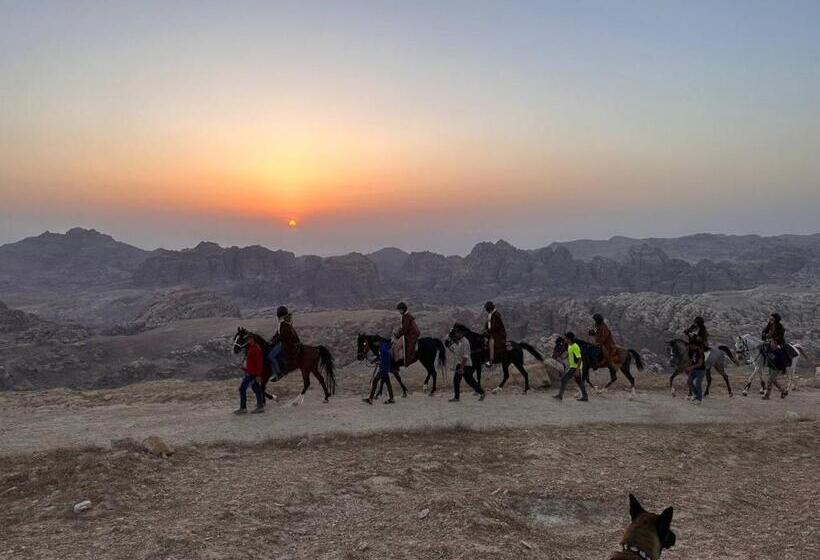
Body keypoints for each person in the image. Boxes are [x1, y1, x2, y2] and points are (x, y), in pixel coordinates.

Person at [448, 326, 485, 402]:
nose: (456, 335)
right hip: (460, 364)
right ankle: (457, 397)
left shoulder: (465, 342)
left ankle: (482, 392)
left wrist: (461, 368)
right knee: (459, 380)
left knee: (469, 381)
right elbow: (455, 350)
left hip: (465, 365)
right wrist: (450, 346)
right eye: (455, 333)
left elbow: (466, 356)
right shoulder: (459, 342)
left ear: (461, 333)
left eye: (457, 333)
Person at [762, 313, 789, 399]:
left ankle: (767, 395)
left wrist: (773, 339)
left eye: (772, 319)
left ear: (776, 320)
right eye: (770, 319)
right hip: (770, 343)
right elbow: (764, 331)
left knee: (770, 379)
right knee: (772, 379)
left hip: (778, 343)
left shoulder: (780, 327)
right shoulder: (769, 325)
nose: (770, 321)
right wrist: (765, 335)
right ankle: (783, 391)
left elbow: (780, 337)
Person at [235, 335, 265, 414]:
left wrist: (259, 375)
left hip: (252, 374)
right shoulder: (252, 348)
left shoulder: (255, 349)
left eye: (249, 339)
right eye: (247, 339)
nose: (248, 341)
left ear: (252, 339)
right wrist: (244, 368)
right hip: (251, 372)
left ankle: (243, 408)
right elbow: (251, 363)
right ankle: (260, 406)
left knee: (242, 389)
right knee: (256, 388)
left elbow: (259, 363)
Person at [554, 332, 588, 401]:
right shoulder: (570, 345)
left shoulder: (575, 347)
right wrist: (563, 357)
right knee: (579, 381)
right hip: (573, 366)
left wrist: (577, 370)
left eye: (566, 338)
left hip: (575, 367)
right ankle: (585, 396)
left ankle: (560, 395)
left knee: (564, 379)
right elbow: (570, 354)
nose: (565, 339)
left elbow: (579, 359)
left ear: (569, 339)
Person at [363, 335, 395, 405]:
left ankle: (370, 399)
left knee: (375, 381)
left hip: (383, 369)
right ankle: (391, 398)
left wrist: (380, 362)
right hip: (384, 369)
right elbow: (380, 357)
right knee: (388, 383)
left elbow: (386, 358)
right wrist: (375, 360)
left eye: (374, 343)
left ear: (378, 342)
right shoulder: (382, 346)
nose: (374, 344)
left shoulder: (383, 348)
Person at [393, 302, 420, 366]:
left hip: (410, 335)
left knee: (396, 347)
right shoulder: (405, 316)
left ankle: (396, 364)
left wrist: (397, 335)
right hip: (408, 333)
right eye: (399, 310)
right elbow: (403, 327)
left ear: (403, 309)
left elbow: (405, 329)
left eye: (400, 310)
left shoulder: (407, 317)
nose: (399, 311)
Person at [277, 306, 302, 371]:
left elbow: (282, 336)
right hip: (292, 342)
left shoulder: (284, 323)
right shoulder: (287, 322)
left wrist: (275, 340)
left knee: (276, 353)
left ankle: (282, 368)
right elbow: (278, 333)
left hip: (289, 343)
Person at [483, 301, 507, 367]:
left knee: (491, 341)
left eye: (486, 308)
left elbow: (494, 326)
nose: (486, 310)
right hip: (493, 332)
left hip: (499, 334)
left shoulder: (496, 315)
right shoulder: (491, 314)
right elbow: (488, 325)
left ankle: (491, 360)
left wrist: (488, 331)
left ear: (489, 308)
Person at [685, 335, 706, 404]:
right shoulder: (692, 351)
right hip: (694, 370)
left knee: (697, 383)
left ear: (695, 345)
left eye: (691, 345)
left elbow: (700, 363)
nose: (690, 347)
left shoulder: (700, 353)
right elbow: (692, 360)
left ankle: (699, 399)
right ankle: (696, 395)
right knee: (689, 382)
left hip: (701, 370)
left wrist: (691, 367)